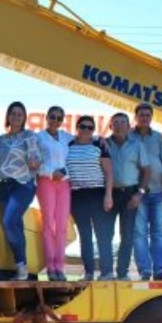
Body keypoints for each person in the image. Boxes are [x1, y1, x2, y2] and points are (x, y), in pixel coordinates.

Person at [0, 102, 42, 281]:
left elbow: (35, 157)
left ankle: (21, 266)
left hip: (23, 184)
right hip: (4, 186)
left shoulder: (28, 135)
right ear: (8, 116)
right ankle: (24, 271)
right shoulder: (1, 139)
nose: (15, 116)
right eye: (12, 113)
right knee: (16, 226)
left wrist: (34, 162)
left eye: (19, 114)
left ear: (24, 117)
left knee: (9, 222)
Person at [131, 103, 162, 280]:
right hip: (137, 194)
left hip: (159, 192)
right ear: (136, 117)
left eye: (147, 115)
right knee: (139, 233)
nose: (144, 118)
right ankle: (144, 271)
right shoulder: (128, 137)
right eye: (141, 115)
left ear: (151, 118)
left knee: (159, 233)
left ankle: (159, 272)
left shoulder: (158, 138)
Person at [66, 115, 113, 281]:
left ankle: (107, 272)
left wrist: (108, 195)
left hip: (97, 193)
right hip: (77, 195)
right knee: (85, 236)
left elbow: (108, 172)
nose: (86, 130)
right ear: (77, 127)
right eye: (83, 126)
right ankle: (88, 272)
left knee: (103, 234)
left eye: (90, 127)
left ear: (93, 130)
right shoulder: (68, 144)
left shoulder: (99, 144)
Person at [105, 112, 150, 280]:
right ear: (110, 126)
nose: (119, 125)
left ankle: (122, 272)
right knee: (105, 234)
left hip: (130, 194)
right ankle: (107, 272)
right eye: (115, 122)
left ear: (129, 126)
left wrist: (140, 194)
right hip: (109, 193)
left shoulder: (137, 145)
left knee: (128, 235)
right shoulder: (103, 144)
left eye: (123, 122)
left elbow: (146, 170)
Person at [36, 106, 73, 281]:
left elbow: (86, 140)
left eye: (59, 118)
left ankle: (60, 266)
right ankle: (50, 266)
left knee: (62, 225)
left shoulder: (67, 137)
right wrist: (51, 173)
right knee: (48, 224)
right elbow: (35, 161)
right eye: (52, 117)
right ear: (46, 117)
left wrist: (102, 141)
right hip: (46, 181)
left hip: (64, 183)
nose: (55, 121)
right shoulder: (38, 138)